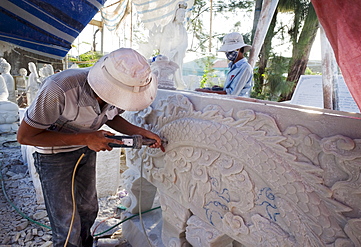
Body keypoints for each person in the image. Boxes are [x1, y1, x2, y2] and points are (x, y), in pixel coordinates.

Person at [17, 48, 162, 247]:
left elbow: (111, 115)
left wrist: (139, 131)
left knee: (88, 208)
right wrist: (86, 138)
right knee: (66, 222)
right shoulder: (59, 89)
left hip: (85, 149)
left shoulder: (121, 91)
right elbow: (25, 136)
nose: (121, 102)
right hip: (53, 155)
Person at [195, 32, 253, 97]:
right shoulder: (233, 67)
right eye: (226, 51)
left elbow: (232, 94)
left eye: (230, 51)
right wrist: (219, 89)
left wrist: (207, 92)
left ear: (238, 49)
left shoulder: (245, 68)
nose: (227, 53)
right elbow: (232, 90)